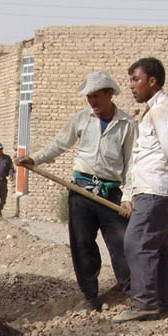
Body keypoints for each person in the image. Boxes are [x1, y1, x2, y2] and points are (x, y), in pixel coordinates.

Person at [17, 71, 136, 311]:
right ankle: (90, 296)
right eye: (89, 97)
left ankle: (134, 294)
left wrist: (128, 196)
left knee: (121, 243)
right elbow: (59, 144)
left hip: (110, 192)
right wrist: (35, 159)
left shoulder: (126, 125)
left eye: (96, 97)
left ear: (109, 95)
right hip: (81, 191)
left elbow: (133, 162)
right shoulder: (82, 119)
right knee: (82, 243)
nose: (92, 102)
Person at [114, 57, 168, 323]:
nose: (131, 86)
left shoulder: (163, 109)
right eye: (130, 80)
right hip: (155, 189)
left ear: (153, 81)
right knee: (158, 246)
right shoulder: (154, 111)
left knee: (136, 242)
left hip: (158, 190)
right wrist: (129, 193)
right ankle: (160, 304)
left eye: (136, 80)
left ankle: (145, 303)